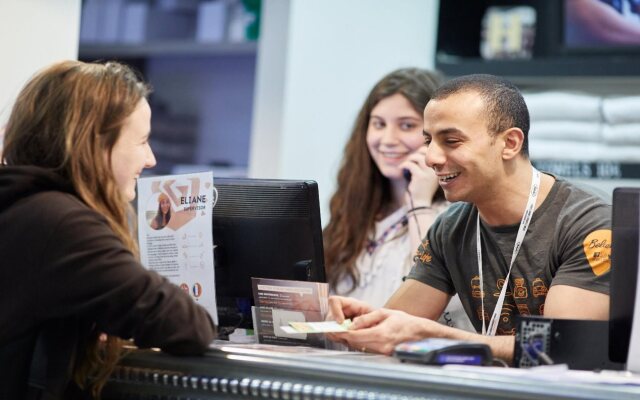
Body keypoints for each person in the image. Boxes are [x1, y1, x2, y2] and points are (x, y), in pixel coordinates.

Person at [328, 74, 611, 362]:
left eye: (451, 141)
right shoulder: (451, 227)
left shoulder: (590, 223)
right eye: (429, 141)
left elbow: (562, 350)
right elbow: (400, 323)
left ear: (510, 143)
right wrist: (365, 323)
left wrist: (432, 336)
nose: (431, 158)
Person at [0, 60, 216, 399]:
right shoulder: (62, 224)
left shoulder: (22, 207)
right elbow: (189, 325)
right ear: (97, 144)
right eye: (142, 141)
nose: (151, 159)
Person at [323, 68, 473, 331]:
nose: (388, 140)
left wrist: (419, 203)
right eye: (379, 124)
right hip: (345, 359)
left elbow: (440, 299)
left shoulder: (460, 213)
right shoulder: (356, 209)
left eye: (407, 125)